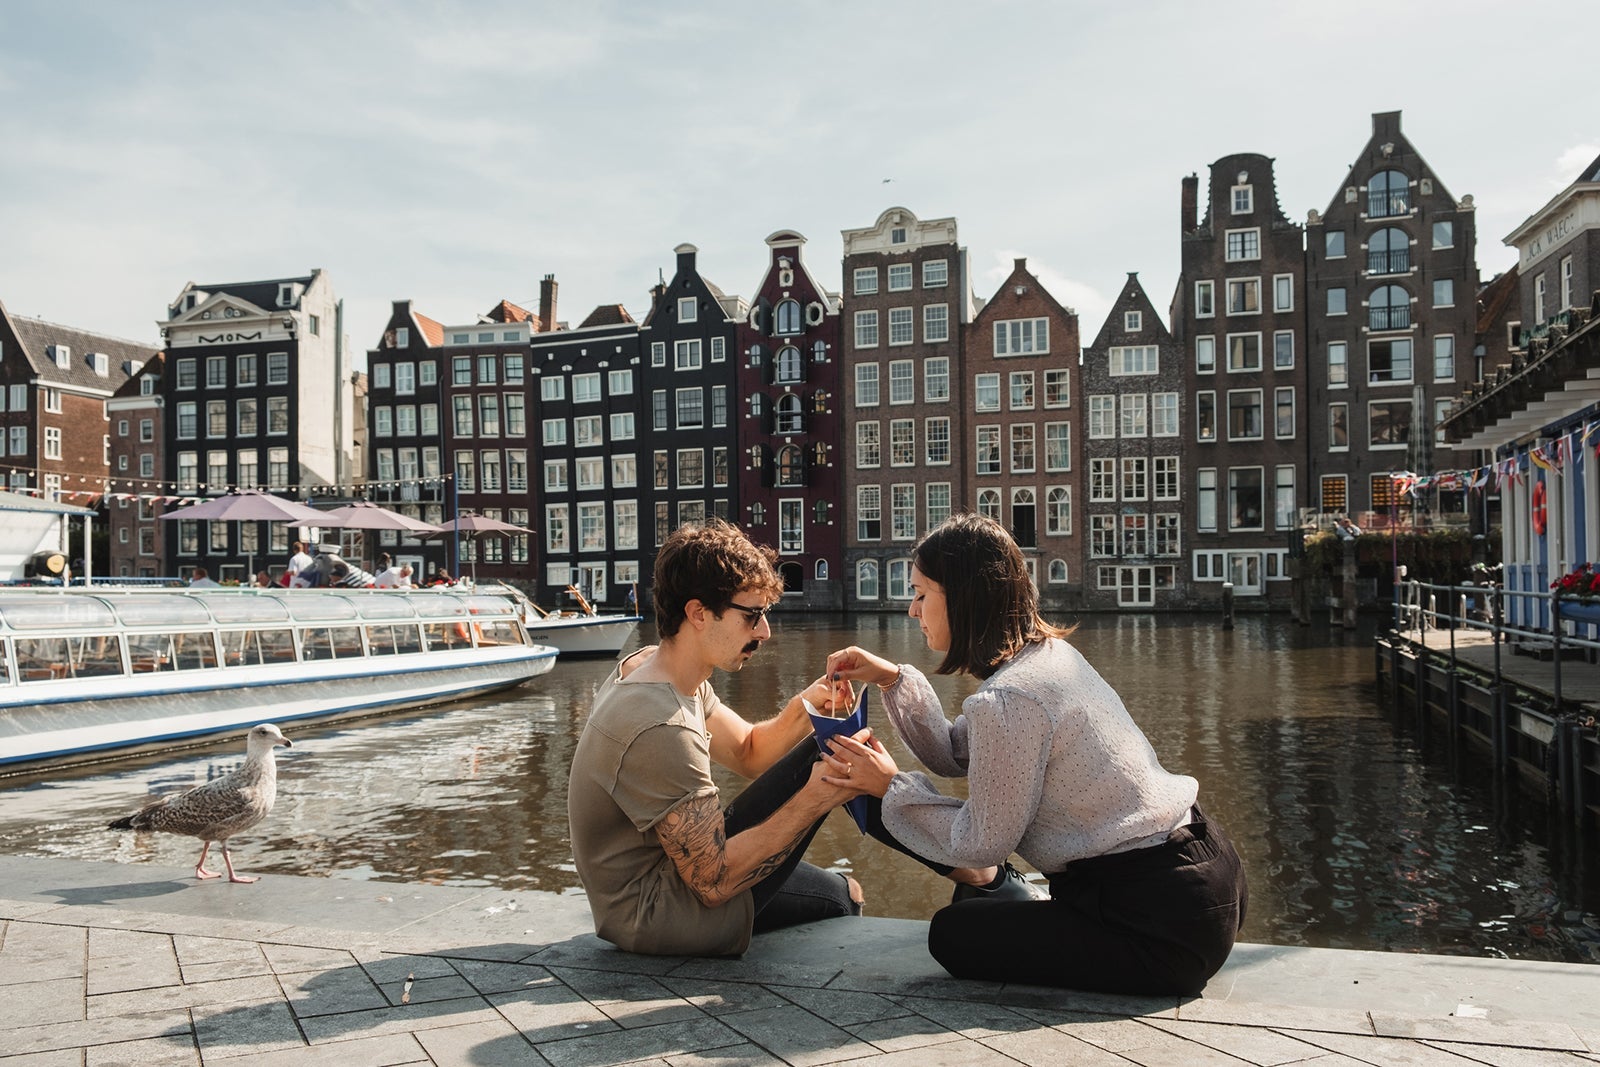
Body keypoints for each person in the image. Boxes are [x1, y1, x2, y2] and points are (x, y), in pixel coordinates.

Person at [823, 513, 1248, 995]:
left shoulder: (1010, 698)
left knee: (953, 934)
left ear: (964, 598)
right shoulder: (1049, 659)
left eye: (921, 594)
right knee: (985, 915)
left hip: (1157, 921)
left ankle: (1037, 903)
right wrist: (891, 679)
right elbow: (955, 755)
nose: (912, 610)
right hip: (1212, 877)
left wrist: (888, 787)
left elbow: (982, 842)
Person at [566, 520, 871, 957]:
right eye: (752, 616)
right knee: (836, 753)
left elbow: (748, 752)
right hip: (661, 914)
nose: (764, 632)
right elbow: (714, 882)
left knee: (846, 894)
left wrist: (807, 708)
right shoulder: (661, 725)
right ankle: (977, 876)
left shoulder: (659, 669)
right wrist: (816, 798)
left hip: (675, 878)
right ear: (697, 613)